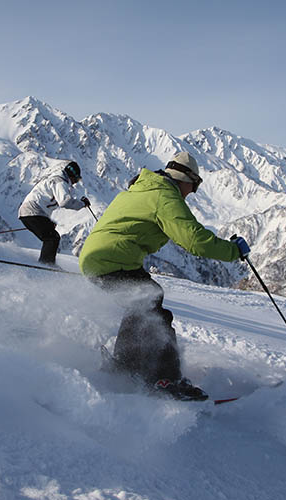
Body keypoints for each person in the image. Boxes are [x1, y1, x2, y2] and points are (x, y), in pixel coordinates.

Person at [79, 152, 250, 401]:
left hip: (97, 258)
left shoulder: (142, 188)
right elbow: (195, 240)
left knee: (142, 304)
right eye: (195, 186)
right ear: (186, 179)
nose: (192, 192)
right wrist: (233, 251)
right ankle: (166, 379)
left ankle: (125, 363)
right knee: (153, 311)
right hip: (112, 259)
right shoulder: (165, 196)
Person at [18, 161, 91, 266]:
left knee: (51, 236)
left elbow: (45, 201)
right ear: (72, 176)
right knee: (52, 237)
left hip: (29, 211)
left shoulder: (55, 179)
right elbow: (65, 201)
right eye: (76, 179)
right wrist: (82, 204)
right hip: (32, 210)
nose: (75, 183)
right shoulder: (60, 181)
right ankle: (46, 265)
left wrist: (47, 221)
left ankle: (47, 264)